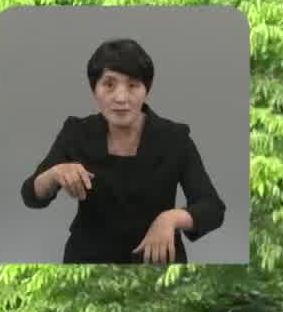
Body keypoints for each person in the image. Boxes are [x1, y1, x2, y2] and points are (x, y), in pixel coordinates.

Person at [20, 38, 225, 264]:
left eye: (133, 85)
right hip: (88, 260)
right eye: (109, 84)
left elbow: (212, 208)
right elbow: (31, 194)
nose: (121, 98)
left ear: (146, 89)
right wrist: (55, 173)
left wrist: (171, 219)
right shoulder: (76, 132)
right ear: (93, 89)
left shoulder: (175, 138)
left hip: (156, 260)